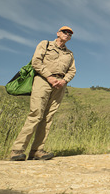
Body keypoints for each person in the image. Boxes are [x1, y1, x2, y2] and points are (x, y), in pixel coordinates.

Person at [10, 26, 76, 161]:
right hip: (43, 81)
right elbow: (36, 62)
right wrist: (50, 77)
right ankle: (17, 150)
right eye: (65, 32)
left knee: (48, 117)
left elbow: (72, 70)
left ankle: (37, 151)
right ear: (58, 33)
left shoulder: (69, 54)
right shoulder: (45, 44)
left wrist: (64, 81)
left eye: (70, 34)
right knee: (36, 114)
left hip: (59, 86)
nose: (67, 34)